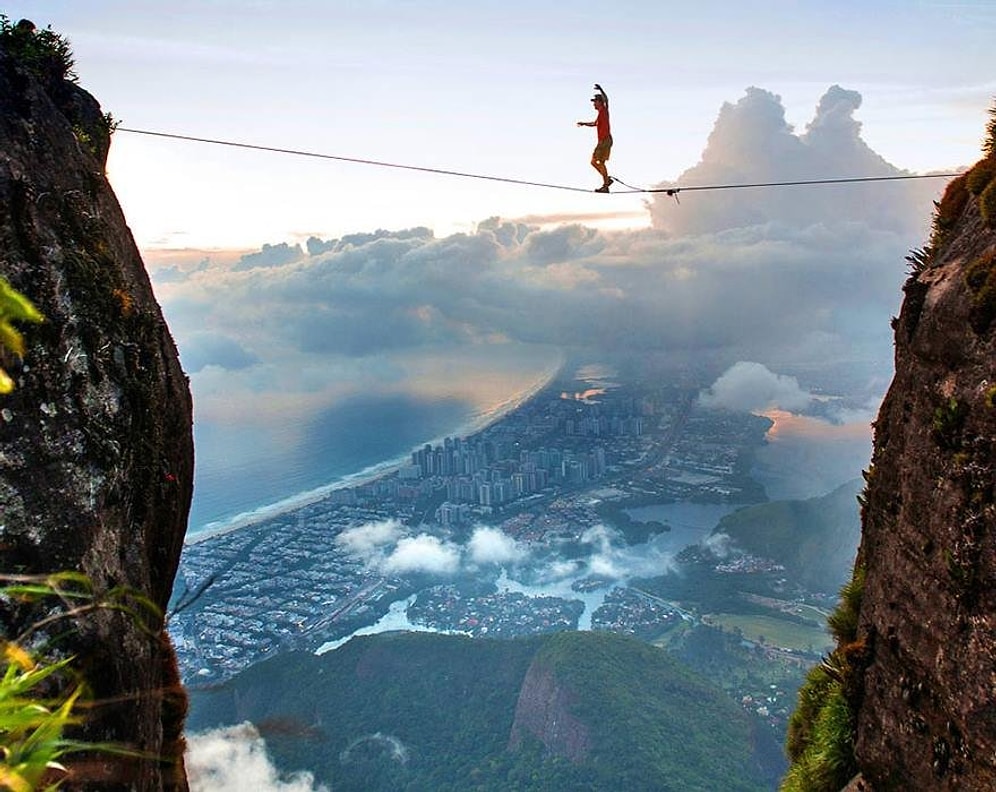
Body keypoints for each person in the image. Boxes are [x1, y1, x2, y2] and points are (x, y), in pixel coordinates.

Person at [577, 83, 613, 192]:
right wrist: (584, 123)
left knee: (594, 161)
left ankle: (606, 182)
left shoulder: (604, 110)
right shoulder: (600, 114)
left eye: (595, 102)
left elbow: (607, 100)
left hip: (604, 141)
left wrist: (601, 89)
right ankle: (606, 183)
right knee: (599, 162)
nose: (593, 104)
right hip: (604, 141)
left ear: (599, 102)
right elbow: (595, 123)